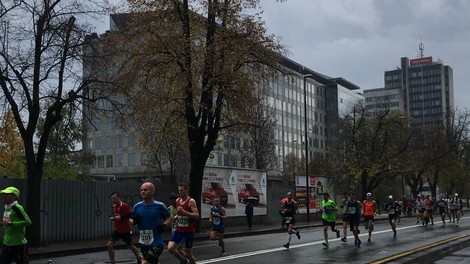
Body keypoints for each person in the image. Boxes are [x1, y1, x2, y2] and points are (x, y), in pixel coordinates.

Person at [131, 182, 173, 264]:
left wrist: (164, 225)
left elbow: (170, 217)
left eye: (146, 190)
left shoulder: (159, 206)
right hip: (143, 243)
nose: (143, 192)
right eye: (141, 190)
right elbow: (132, 221)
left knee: (145, 263)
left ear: (153, 191)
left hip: (157, 243)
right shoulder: (137, 207)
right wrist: (125, 219)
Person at [168, 183, 199, 264]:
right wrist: (176, 217)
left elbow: (196, 215)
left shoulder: (191, 201)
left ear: (186, 190)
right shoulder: (178, 200)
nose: (180, 192)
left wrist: (184, 212)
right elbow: (179, 213)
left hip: (188, 231)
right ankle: (183, 260)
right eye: (179, 191)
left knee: (188, 253)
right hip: (179, 230)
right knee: (170, 248)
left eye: (182, 190)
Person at [107, 191, 141, 264]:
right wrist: (114, 218)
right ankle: (112, 262)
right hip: (117, 230)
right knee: (109, 244)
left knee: (130, 245)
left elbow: (131, 215)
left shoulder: (125, 206)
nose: (113, 200)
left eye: (114, 198)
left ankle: (138, 257)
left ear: (119, 197)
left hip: (125, 230)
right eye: (112, 199)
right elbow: (117, 216)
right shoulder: (114, 206)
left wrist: (121, 217)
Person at [0, 186, 32, 264]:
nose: (4, 196)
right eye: (4, 194)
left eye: (7, 194)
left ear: (14, 196)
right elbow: (7, 224)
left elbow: (28, 222)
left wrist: (11, 224)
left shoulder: (17, 208)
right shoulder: (7, 208)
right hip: (7, 242)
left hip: (18, 244)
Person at [168, 193, 186, 259]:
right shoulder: (169, 209)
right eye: (171, 200)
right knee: (175, 249)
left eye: (174, 200)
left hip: (182, 231)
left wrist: (176, 216)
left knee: (178, 248)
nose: (173, 202)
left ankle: (187, 260)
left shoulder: (181, 207)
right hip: (174, 230)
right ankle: (186, 259)